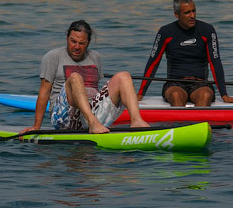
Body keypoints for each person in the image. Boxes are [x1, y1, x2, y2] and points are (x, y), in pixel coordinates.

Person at [21, 20, 151, 135]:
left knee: (124, 76)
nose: (76, 47)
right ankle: (92, 122)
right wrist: (36, 126)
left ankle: (136, 120)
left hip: (93, 113)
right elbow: (44, 92)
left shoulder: (95, 57)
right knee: (76, 77)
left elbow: (98, 91)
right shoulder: (53, 57)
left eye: (81, 43)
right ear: (67, 38)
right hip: (64, 118)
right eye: (73, 41)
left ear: (88, 43)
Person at [139, 0, 233, 107]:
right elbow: (153, 62)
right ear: (176, 14)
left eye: (194, 11)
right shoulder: (165, 32)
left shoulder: (207, 30)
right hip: (174, 84)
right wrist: (141, 94)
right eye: (187, 13)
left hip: (200, 84)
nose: (192, 16)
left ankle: (200, 123)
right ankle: (180, 123)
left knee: (205, 95)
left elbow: (215, 62)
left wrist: (224, 95)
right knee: (176, 95)